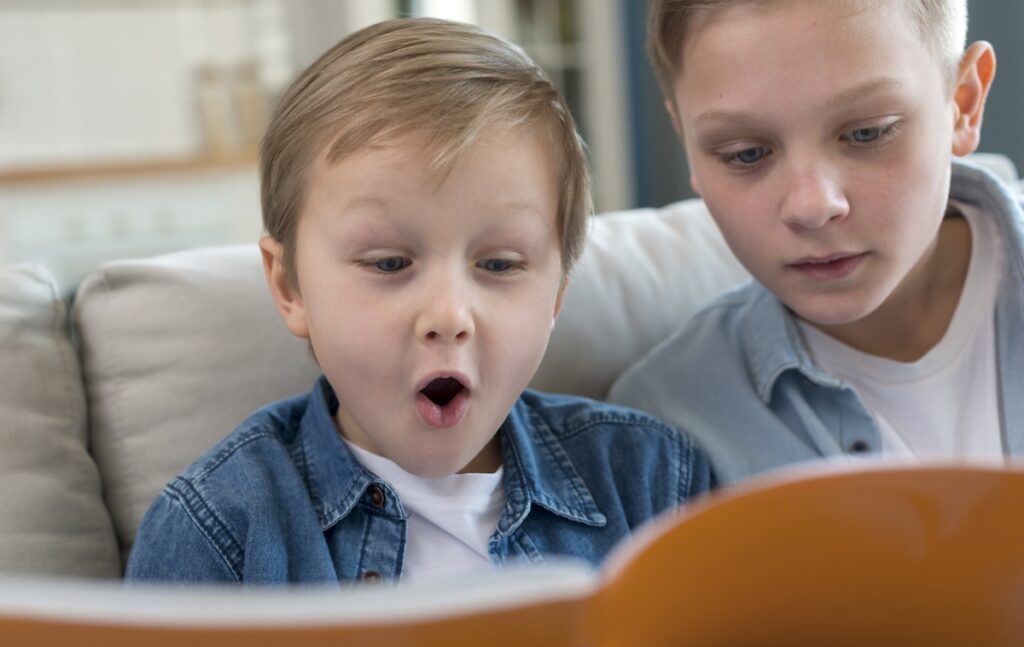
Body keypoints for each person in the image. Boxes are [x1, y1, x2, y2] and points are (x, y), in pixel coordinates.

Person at [126, 17, 712, 584]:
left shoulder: (654, 480)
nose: (449, 317)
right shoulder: (216, 532)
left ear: (556, 292)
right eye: (388, 263)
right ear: (289, 287)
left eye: (500, 265)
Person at [610, 0, 1019, 484]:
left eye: (868, 133)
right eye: (746, 154)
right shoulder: (661, 431)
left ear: (964, 103)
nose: (812, 205)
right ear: (689, 148)